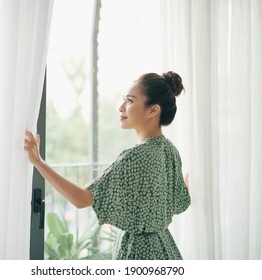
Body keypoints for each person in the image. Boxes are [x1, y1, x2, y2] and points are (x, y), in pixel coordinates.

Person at [24, 71, 191, 260]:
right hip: (166, 249)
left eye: (129, 101)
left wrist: (38, 162)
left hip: (138, 253)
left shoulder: (137, 156)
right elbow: (179, 203)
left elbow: (82, 199)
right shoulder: (170, 151)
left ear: (152, 110)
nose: (121, 107)